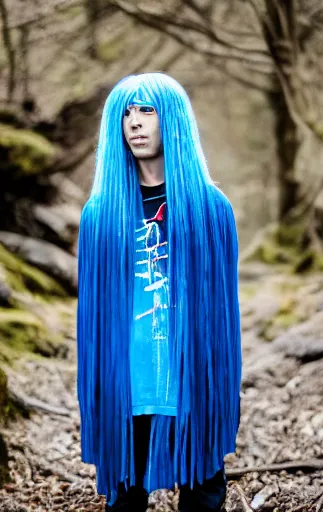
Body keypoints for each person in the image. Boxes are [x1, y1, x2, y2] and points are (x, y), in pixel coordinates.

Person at [76, 72, 242, 512]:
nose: (135, 122)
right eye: (126, 112)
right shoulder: (100, 216)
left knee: (204, 497)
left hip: (190, 381)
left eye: (147, 110)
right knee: (124, 501)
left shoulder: (212, 211)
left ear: (173, 120)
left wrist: (215, 384)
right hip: (126, 386)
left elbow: (224, 319)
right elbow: (91, 322)